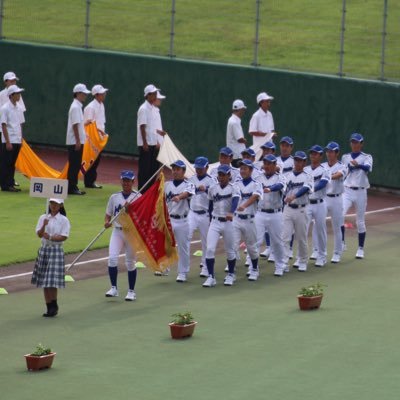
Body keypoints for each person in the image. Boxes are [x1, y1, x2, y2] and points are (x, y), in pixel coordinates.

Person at [104, 170, 141, 301]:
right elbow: (108, 213)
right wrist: (106, 222)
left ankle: (131, 291)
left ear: (133, 182)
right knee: (112, 259)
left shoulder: (138, 196)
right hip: (117, 231)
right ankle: (114, 288)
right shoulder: (114, 197)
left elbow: (141, 216)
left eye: (128, 181)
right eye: (124, 180)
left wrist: (131, 209)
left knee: (130, 262)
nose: (125, 183)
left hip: (131, 232)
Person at [31, 198, 70, 317]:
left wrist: (51, 238)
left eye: (56, 204)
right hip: (44, 249)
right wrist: (44, 225)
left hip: (55, 250)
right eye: (52, 203)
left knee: (51, 281)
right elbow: (39, 234)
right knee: (44, 280)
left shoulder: (64, 220)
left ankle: (54, 304)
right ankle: (49, 306)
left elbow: (64, 236)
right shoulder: (43, 217)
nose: (53, 205)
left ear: (61, 205)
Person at [203, 164, 239, 287]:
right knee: (209, 249)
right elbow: (210, 206)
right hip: (215, 221)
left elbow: (235, 201)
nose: (221, 177)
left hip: (228, 223)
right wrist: (209, 219)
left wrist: (231, 212)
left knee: (230, 251)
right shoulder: (212, 188)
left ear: (229, 175)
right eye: (220, 175)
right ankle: (211, 277)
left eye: (224, 175)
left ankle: (230, 274)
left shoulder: (234, 188)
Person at [341, 133, 373, 259]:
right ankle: (342, 242)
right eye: (352, 142)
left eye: (356, 142)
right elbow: (343, 171)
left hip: (360, 191)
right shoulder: (345, 157)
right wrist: (349, 166)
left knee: (360, 221)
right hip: (347, 190)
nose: (354, 144)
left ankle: (360, 248)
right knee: (340, 215)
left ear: (361, 144)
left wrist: (357, 165)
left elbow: (367, 168)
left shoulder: (367, 156)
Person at [255, 154, 287, 276]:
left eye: (269, 164)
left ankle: (279, 266)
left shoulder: (281, 177)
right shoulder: (258, 178)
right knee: (256, 241)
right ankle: (253, 268)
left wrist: (270, 188)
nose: (267, 166)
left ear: (275, 165)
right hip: (260, 213)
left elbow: (280, 186)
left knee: (277, 242)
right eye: (265, 163)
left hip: (276, 214)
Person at [282, 151, 313, 272]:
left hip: (301, 209)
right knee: (285, 237)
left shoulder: (308, 176)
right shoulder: (287, 176)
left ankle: (302, 260)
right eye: (296, 160)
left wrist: (293, 196)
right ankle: (284, 262)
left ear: (304, 162)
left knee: (301, 237)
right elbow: (283, 191)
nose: (297, 162)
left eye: (300, 160)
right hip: (288, 209)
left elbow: (305, 189)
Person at [233, 159, 263, 282]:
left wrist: (244, 205)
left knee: (251, 247)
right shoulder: (236, 184)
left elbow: (255, 196)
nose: (242, 171)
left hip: (250, 219)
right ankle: (231, 271)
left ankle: (254, 269)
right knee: (232, 246)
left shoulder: (257, 184)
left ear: (251, 170)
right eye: (241, 168)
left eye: (245, 168)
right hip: (237, 219)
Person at [164, 160, 195, 282]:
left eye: (178, 169)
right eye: (174, 169)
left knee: (183, 248)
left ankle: (182, 272)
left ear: (183, 171)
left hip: (183, 220)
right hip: (169, 219)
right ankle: (165, 266)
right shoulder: (167, 185)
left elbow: (188, 193)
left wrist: (179, 197)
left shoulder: (189, 184)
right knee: (166, 245)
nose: (175, 171)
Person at [188, 156, 215, 278]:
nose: (198, 170)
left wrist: (207, 189)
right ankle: (184, 268)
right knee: (186, 237)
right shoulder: (191, 179)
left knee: (206, 242)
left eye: (201, 168)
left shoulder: (211, 180)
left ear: (207, 167)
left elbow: (215, 194)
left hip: (205, 215)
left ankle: (205, 267)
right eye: (197, 168)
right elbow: (187, 192)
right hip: (192, 213)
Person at [304, 145, 330, 267]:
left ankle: (322, 256)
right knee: (302, 230)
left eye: (315, 154)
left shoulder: (325, 170)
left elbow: (323, 183)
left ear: (320, 156)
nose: (313, 155)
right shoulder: (306, 169)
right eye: (311, 153)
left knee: (320, 230)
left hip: (320, 203)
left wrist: (309, 188)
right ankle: (301, 257)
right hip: (307, 204)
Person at [137, 84, 164, 192]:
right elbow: (142, 126)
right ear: (148, 95)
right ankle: (142, 192)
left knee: (152, 170)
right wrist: (144, 143)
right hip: (146, 144)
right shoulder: (143, 109)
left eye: (155, 93)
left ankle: (149, 191)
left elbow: (153, 127)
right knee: (145, 169)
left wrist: (158, 139)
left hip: (152, 143)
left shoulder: (152, 108)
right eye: (153, 93)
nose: (155, 95)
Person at [323, 142, 347, 263]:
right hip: (323, 198)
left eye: (331, 151)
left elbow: (338, 175)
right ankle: (319, 251)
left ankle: (337, 253)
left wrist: (326, 176)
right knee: (319, 225)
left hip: (337, 199)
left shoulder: (342, 166)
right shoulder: (322, 165)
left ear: (337, 153)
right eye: (327, 151)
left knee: (337, 227)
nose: (329, 154)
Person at [66, 83, 90, 195]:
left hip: (77, 141)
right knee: (74, 165)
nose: (85, 95)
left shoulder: (77, 106)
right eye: (83, 93)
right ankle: (71, 187)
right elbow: (75, 125)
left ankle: (73, 186)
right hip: (75, 141)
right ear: (78, 94)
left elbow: (78, 124)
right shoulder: (75, 107)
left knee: (75, 165)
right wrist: (77, 141)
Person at [83, 84, 109, 189]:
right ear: (97, 95)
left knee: (96, 160)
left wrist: (102, 133)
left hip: (100, 138)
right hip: (92, 138)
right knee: (91, 160)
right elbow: (89, 124)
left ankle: (92, 181)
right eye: (103, 93)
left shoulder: (101, 105)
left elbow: (101, 122)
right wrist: (99, 133)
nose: (105, 94)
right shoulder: (90, 107)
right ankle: (88, 182)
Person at [0, 85, 25, 192]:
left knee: (12, 163)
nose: (19, 95)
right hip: (9, 140)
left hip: (17, 140)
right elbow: (4, 125)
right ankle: (5, 185)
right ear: (11, 95)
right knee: (6, 163)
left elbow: (20, 124)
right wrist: (8, 142)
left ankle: (10, 183)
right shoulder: (5, 108)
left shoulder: (19, 107)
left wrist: (21, 138)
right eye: (17, 93)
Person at [226, 99, 247, 168]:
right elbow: (240, 139)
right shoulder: (234, 122)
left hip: (235, 155)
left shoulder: (232, 120)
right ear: (240, 109)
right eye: (243, 109)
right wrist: (245, 140)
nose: (244, 111)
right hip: (238, 156)